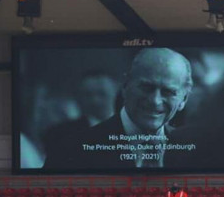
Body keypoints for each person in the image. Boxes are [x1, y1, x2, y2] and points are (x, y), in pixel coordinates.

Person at [51, 48, 199, 170]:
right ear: (125, 85)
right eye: (146, 87)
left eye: (168, 92)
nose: (155, 101)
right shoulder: (71, 150)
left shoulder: (195, 152)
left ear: (183, 100)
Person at [42, 70, 120, 170]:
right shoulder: (59, 134)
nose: (95, 101)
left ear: (116, 93)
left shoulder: (132, 129)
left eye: (102, 94)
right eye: (88, 95)